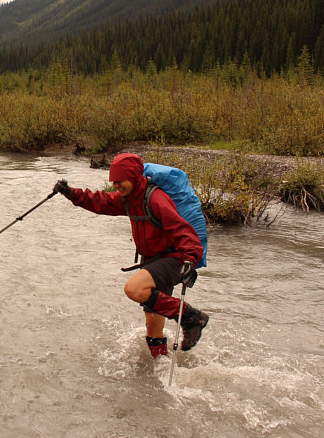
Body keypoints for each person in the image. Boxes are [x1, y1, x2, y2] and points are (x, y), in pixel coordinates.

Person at [53, 153, 208, 357]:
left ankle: (190, 317)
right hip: (153, 260)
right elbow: (101, 202)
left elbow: (182, 229)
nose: (116, 185)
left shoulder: (156, 198)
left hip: (174, 259)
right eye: (114, 181)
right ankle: (159, 364)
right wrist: (71, 193)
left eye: (120, 181)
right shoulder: (128, 199)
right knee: (152, 326)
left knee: (134, 288)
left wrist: (190, 258)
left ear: (134, 177)